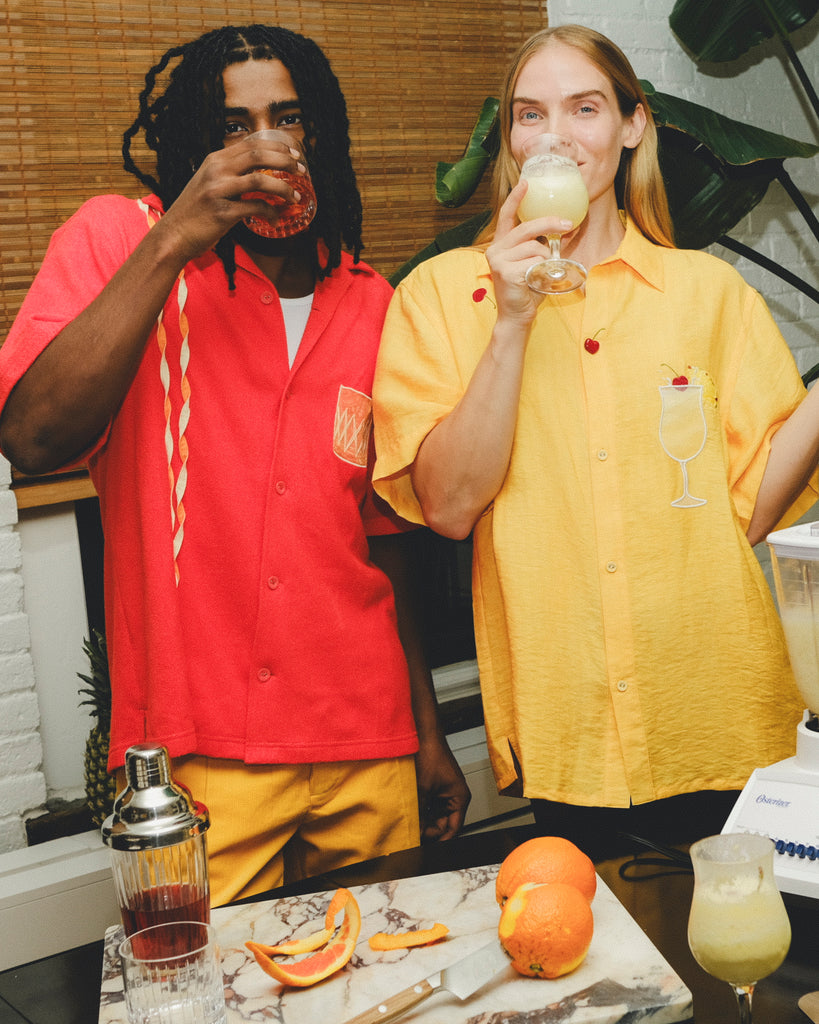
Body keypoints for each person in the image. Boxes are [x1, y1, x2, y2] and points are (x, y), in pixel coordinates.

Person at [0, 24, 469, 903]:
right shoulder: (121, 241)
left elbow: (387, 540)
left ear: (316, 136)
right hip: (198, 757)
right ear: (193, 144)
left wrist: (427, 731)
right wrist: (178, 234)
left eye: (285, 118)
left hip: (365, 740)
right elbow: (32, 436)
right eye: (232, 125)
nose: (264, 143)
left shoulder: (369, 301)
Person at [371, 23, 819, 859]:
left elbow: (753, 510)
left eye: (583, 108)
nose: (555, 136)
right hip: (566, 728)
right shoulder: (439, 296)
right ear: (510, 139)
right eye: (528, 114)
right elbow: (449, 506)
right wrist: (509, 320)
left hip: (719, 709)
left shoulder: (707, 293)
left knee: (752, 964)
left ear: (631, 125)